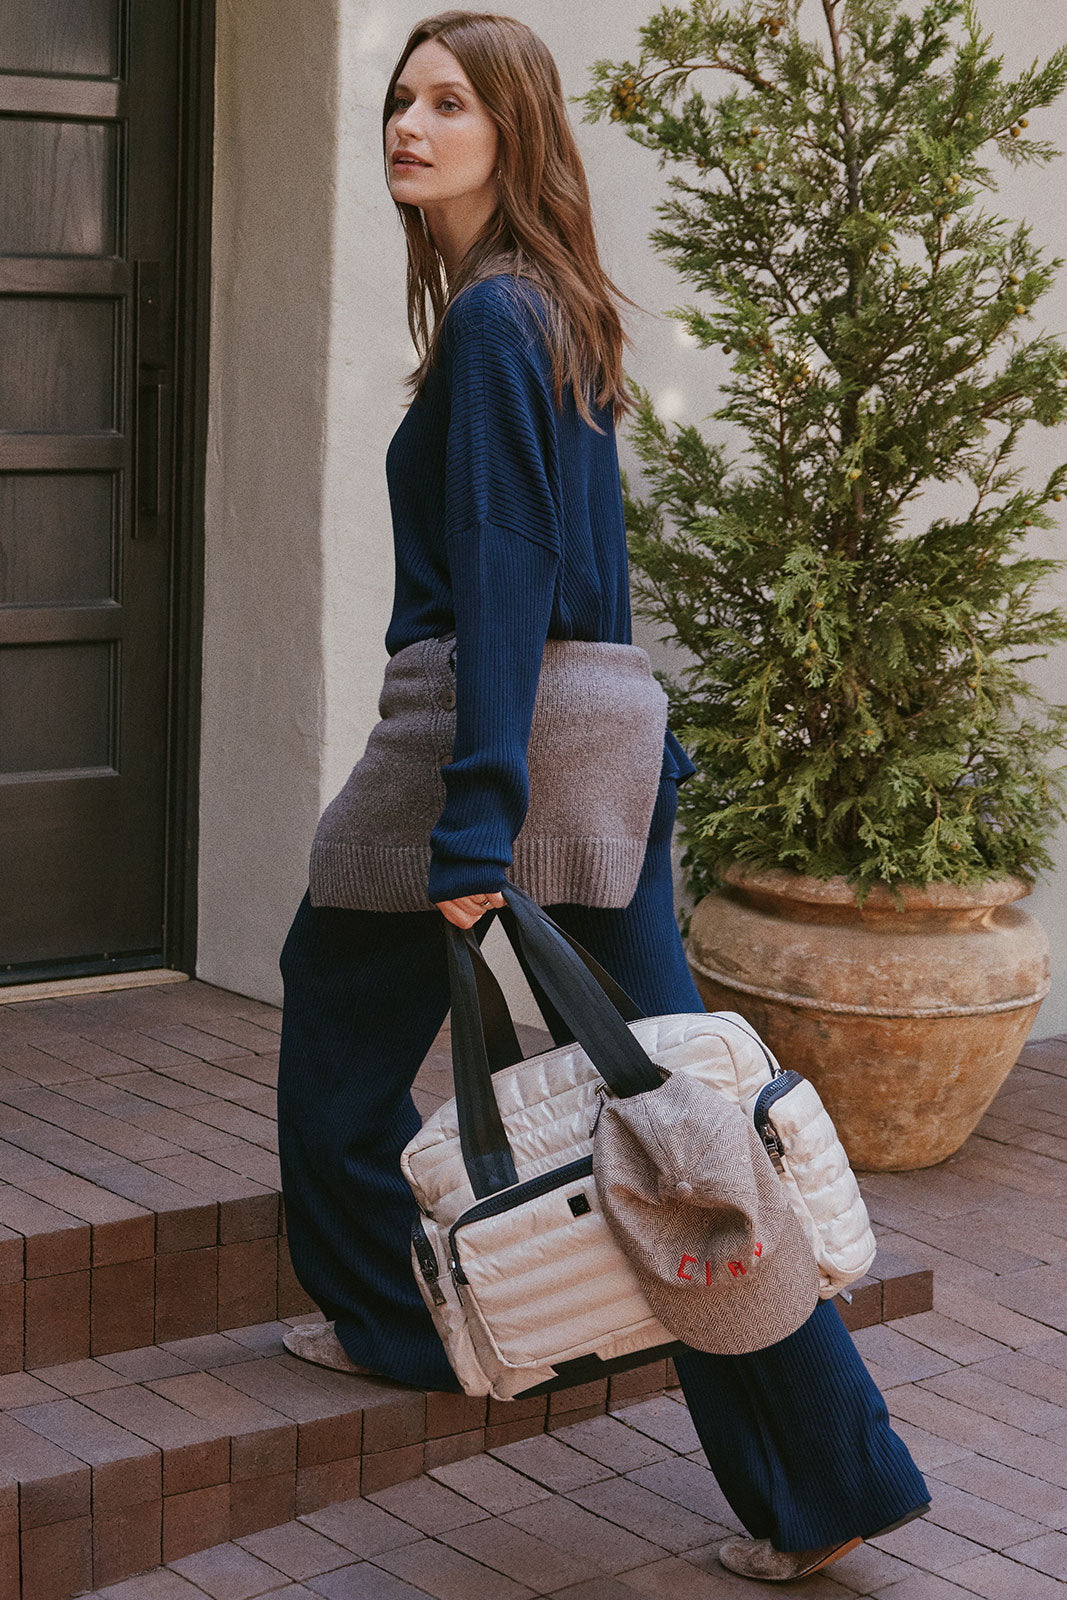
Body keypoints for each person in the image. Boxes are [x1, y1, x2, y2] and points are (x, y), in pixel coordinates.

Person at [275, 9, 931, 1582]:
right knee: (669, 1118)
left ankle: (409, 1325)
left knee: (360, 1021)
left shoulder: (502, 319)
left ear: (515, 130)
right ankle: (829, 1476)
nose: (410, 125)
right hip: (596, 752)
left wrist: (477, 818)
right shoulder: (541, 306)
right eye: (401, 99)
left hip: (493, 745)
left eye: (451, 102)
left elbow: (510, 577)